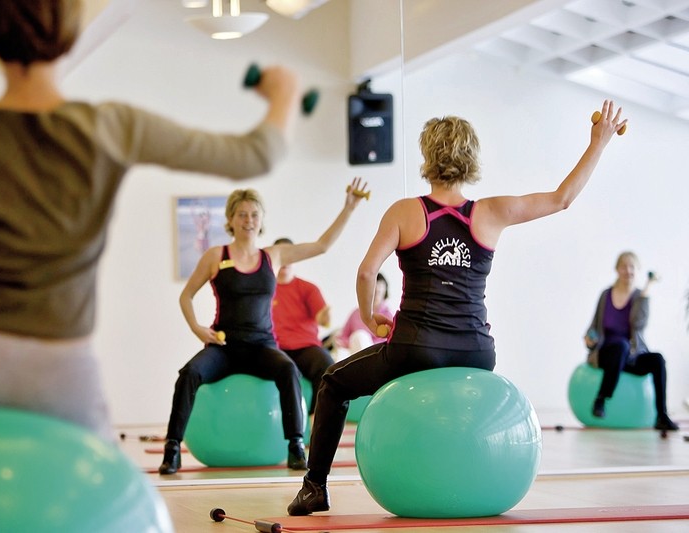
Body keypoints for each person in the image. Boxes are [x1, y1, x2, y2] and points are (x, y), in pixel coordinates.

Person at [0, 0, 301, 438]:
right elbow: (258, 153)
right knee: (108, 497)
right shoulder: (112, 127)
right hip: (61, 362)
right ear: (70, 33)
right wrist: (283, 94)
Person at [287, 101, 627, 516]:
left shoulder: (405, 211)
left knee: (334, 383)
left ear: (428, 158)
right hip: (476, 350)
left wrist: (373, 317)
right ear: (471, 159)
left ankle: (314, 487)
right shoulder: (491, 212)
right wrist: (599, 142)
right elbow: (562, 199)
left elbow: (365, 273)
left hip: (415, 348)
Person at [159, 178, 367, 475]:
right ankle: (172, 449)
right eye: (242, 214)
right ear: (230, 219)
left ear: (261, 220)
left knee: (288, 370)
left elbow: (321, 246)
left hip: (262, 347)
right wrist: (196, 327)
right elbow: (186, 295)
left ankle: (295, 446)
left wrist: (348, 208)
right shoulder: (216, 256)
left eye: (254, 214)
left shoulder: (273, 256)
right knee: (188, 373)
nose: (249, 220)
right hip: (224, 346)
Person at [584, 251, 678, 431]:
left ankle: (662, 416)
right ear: (617, 269)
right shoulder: (606, 295)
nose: (628, 270)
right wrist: (589, 339)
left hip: (629, 356)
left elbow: (638, 323)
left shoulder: (638, 297)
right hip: (607, 355)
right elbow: (594, 326)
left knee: (657, 359)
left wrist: (647, 290)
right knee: (621, 345)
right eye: (623, 266)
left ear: (637, 270)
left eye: (631, 267)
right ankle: (601, 398)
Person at [272, 237, 334, 414]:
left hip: (305, 348)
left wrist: (324, 316)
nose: (285, 259)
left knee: (327, 367)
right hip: (274, 349)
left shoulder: (308, 288)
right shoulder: (265, 289)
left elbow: (323, 318)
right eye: (281, 255)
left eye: (289, 254)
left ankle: (315, 420)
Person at [334, 272, 392, 356]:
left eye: (379, 288)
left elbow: (390, 339)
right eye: (373, 286)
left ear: (385, 291)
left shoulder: (389, 314)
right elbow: (342, 337)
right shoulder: (356, 313)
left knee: (360, 336)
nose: (376, 289)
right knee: (357, 337)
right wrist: (350, 343)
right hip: (354, 349)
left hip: (377, 352)